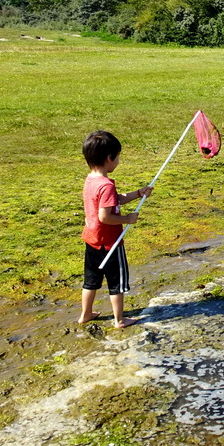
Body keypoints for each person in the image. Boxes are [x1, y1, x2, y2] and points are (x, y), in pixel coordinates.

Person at [79, 130, 152, 328]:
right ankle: (119, 320)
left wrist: (138, 194)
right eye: (118, 156)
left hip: (92, 240)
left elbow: (113, 201)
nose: (118, 160)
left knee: (91, 281)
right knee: (116, 283)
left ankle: (85, 314)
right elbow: (106, 216)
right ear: (109, 158)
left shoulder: (91, 180)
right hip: (110, 243)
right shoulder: (106, 185)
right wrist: (127, 218)